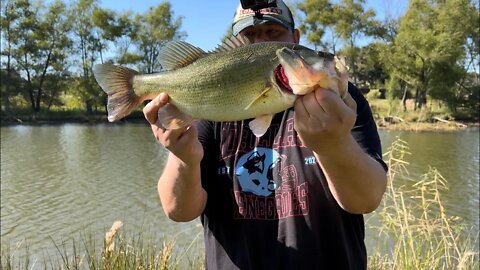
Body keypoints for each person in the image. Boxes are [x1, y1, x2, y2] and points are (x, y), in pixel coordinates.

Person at [143, 1, 388, 269]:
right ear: (237, 41)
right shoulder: (210, 108)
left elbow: (366, 199)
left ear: (296, 39)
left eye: (273, 33)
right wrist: (184, 159)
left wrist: (334, 146)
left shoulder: (341, 102)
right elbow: (177, 210)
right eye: (249, 36)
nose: (260, 42)